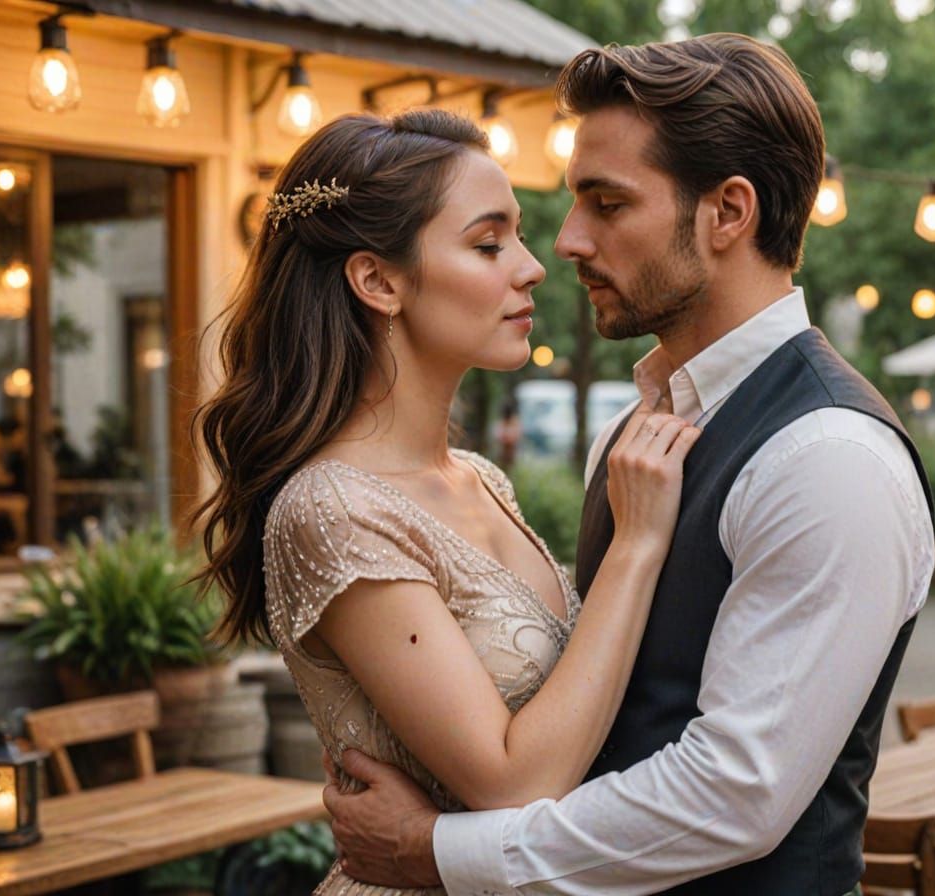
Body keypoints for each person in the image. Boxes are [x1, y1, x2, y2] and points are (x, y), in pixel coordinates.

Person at [323, 33, 935, 896]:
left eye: (607, 204)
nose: (568, 241)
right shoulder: (630, 432)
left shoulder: (829, 457)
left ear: (728, 213)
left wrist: (440, 851)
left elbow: (735, 794)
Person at [192, 109, 700, 896]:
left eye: (518, 238)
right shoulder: (332, 510)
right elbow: (510, 783)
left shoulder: (481, 478)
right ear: (378, 281)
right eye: (488, 244)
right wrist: (636, 546)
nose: (532, 268)